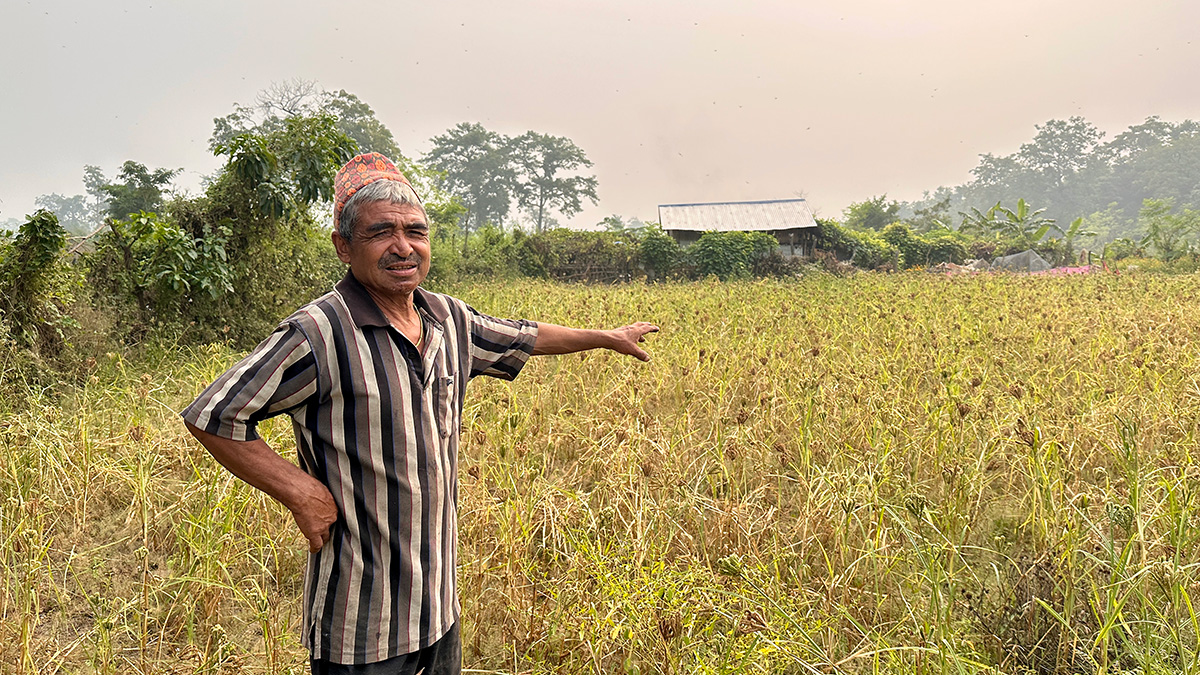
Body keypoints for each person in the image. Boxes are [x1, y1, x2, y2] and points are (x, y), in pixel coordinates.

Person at [182, 152, 657, 674]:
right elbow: (215, 413)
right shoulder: (320, 332)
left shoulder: (447, 317)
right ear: (344, 246)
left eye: (416, 231)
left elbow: (525, 335)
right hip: (362, 619)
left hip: (437, 606)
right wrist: (301, 492)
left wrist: (605, 338)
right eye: (381, 232)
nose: (403, 246)